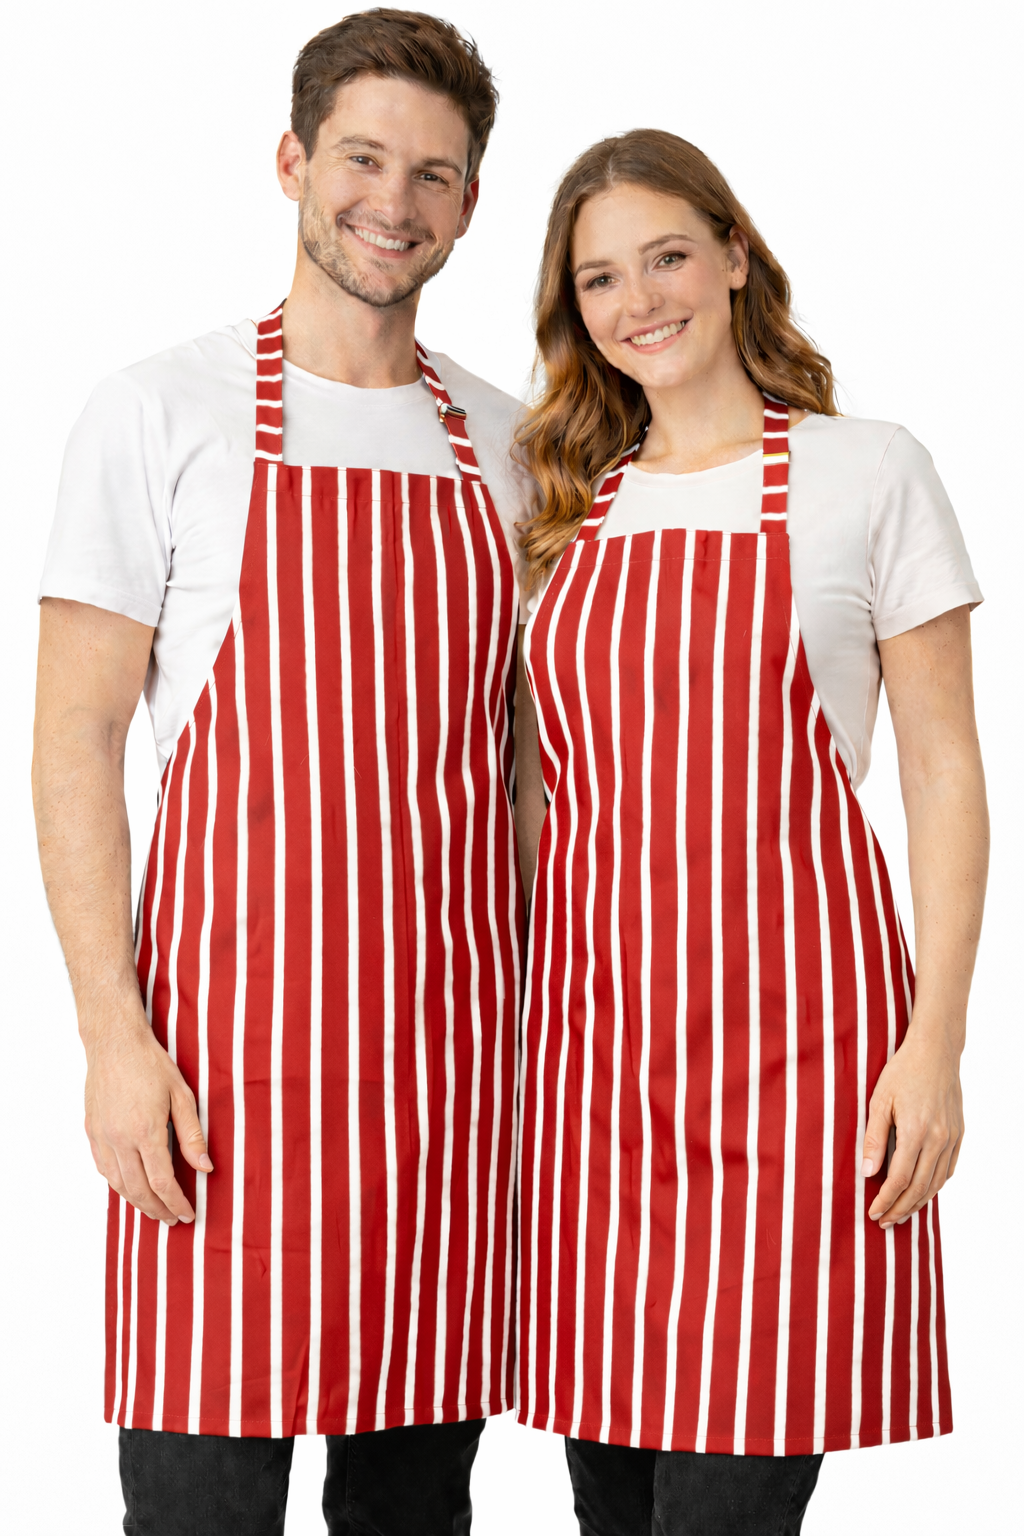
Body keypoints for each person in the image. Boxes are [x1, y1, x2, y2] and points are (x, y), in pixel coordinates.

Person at [32, 12, 530, 1534]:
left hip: (447, 1080)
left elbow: (528, 766)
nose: (396, 201)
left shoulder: (510, 445)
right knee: (197, 1504)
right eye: (364, 159)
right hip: (219, 1077)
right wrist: (112, 1037)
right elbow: (75, 737)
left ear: (469, 203)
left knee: (415, 1510)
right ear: (293, 162)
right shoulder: (159, 410)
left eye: (434, 174)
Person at [512, 129, 987, 1536]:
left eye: (666, 256)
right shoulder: (562, 508)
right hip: (593, 1081)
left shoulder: (868, 473)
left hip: (800, 1069)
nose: (638, 300)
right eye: (600, 278)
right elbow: (536, 799)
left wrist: (936, 1043)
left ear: (734, 257)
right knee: (613, 1512)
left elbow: (944, 773)